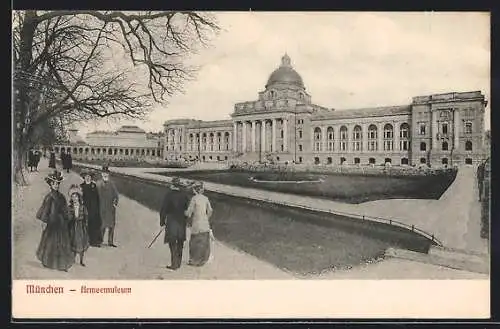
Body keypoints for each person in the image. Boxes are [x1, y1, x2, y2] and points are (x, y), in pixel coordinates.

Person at [35, 171, 75, 272]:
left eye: (58, 184)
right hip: (52, 223)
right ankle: (48, 261)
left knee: (62, 243)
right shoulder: (49, 197)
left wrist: (68, 216)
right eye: (54, 184)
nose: (56, 185)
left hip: (61, 223)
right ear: (51, 185)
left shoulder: (61, 197)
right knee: (50, 242)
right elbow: (45, 210)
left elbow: (65, 209)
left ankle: (61, 263)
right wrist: (44, 221)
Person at [159, 177, 190, 270]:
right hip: (181, 221)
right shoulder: (184, 195)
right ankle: (178, 263)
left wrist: (162, 221)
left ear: (172, 185)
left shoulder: (168, 195)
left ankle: (174, 263)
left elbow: (163, 209)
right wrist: (186, 219)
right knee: (180, 242)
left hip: (172, 220)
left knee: (172, 242)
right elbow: (187, 209)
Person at [185, 181, 214, 267]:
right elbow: (210, 211)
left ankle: (194, 260)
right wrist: (206, 217)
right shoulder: (206, 198)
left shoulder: (194, 199)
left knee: (194, 242)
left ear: (195, 190)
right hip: (205, 223)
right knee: (204, 241)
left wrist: (183, 212)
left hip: (197, 223)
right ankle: (203, 260)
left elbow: (189, 213)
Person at [96, 166, 119, 247]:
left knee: (111, 225)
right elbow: (95, 196)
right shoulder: (98, 184)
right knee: (101, 225)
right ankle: (99, 241)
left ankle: (110, 241)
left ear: (108, 174)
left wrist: (115, 204)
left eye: (106, 173)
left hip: (110, 208)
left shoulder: (112, 184)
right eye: (103, 173)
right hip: (101, 208)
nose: (105, 174)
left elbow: (116, 195)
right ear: (101, 174)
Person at [67, 184, 90, 266]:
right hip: (73, 227)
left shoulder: (83, 207)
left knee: (81, 243)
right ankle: (72, 259)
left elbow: (86, 216)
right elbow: (68, 217)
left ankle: (81, 260)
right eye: (73, 197)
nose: (74, 198)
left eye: (76, 197)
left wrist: (86, 225)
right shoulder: (70, 207)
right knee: (73, 242)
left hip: (81, 227)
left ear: (79, 197)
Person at [80, 169, 103, 247]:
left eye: (89, 176)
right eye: (86, 176)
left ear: (91, 178)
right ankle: (85, 240)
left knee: (94, 224)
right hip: (85, 207)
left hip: (93, 208)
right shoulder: (81, 186)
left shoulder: (94, 186)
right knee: (85, 224)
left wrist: (97, 208)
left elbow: (97, 198)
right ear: (84, 177)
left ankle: (94, 241)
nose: (88, 178)